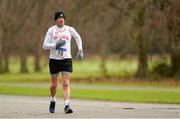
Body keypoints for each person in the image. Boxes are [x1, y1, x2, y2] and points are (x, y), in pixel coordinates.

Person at [43, 11, 83, 114]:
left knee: (65, 83)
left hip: (66, 59)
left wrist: (80, 49)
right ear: (56, 20)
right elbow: (44, 45)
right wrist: (55, 45)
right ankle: (53, 100)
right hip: (54, 60)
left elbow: (77, 37)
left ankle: (66, 105)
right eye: (59, 18)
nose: (61, 20)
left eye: (63, 18)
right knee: (54, 85)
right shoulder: (51, 30)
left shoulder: (69, 29)